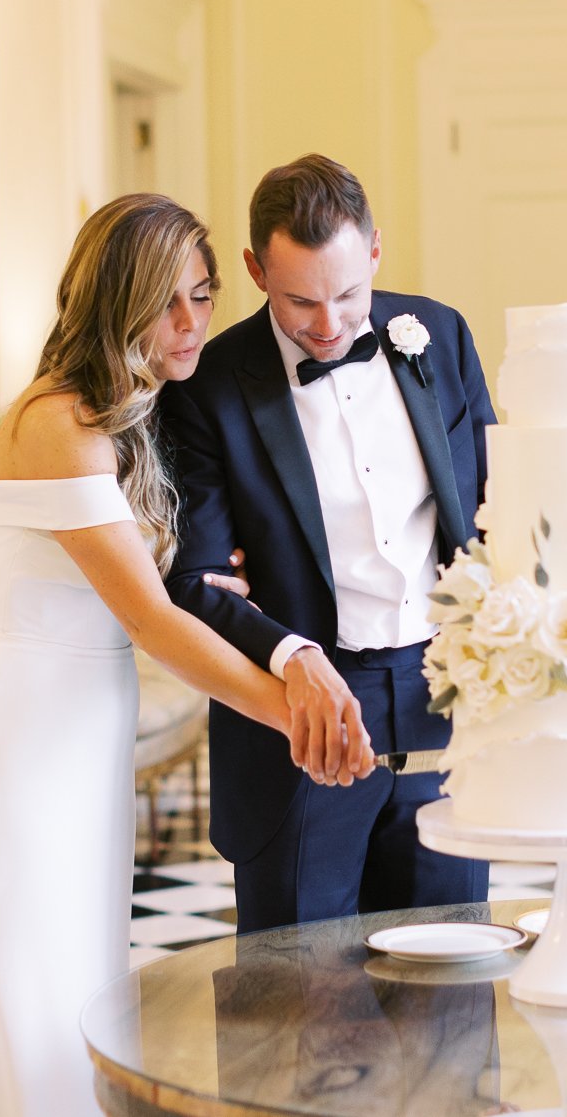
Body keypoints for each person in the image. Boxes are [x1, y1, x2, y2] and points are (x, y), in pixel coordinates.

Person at [0, 194, 362, 1117]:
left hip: (79, 742)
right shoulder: (59, 423)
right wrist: (300, 712)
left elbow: (176, 582)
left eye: (203, 298)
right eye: (164, 303)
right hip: (10, 739)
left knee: (72, 972)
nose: (190, 325)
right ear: (111, 303)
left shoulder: (131, 416)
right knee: (15, 978)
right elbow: (154, 622)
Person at [161, 153, 494, 932]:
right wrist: (290, 656)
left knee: (448, 1002)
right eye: (300, 300)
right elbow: (197, 581)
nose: (330, 323)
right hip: (297, 728)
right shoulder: (209, 386)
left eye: (348, 293)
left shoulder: (438, 336)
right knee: (297, 1014)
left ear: (375, 250)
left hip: (441, 704)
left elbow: (492, 508)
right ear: (253, 270)